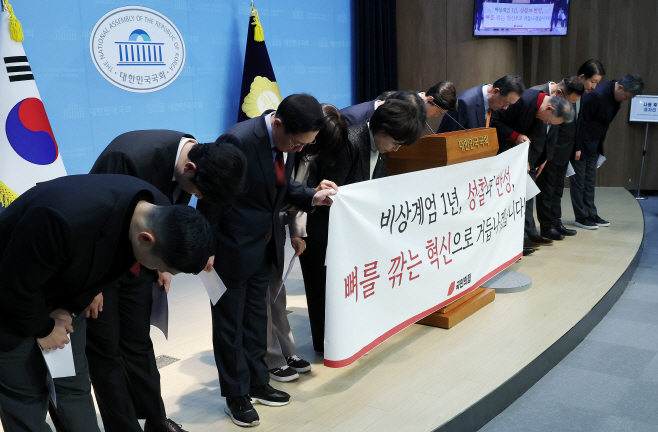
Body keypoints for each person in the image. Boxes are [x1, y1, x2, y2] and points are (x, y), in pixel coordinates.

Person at [0, 174, 213, 432]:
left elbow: (104, 272)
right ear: (146, 239)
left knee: (74, 388)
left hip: (61, 300)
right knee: (26, 400)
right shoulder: (61, 219)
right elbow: (11, 284)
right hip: (10, 306)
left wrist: (67, 310)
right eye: (160, 266)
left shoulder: (153, 209)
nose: (158, 272)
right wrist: (44, 328)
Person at [75, 130, 247, 432]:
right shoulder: (127, 158)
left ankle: (156, 420)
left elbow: (168, 216)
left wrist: (163, 264)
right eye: (198, 193)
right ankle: (124, 427)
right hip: (102, 267)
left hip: (143, 262)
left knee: (138, 343)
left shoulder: (194, 161)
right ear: (189, 168)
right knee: (106, 352)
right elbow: (90, 221)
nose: (196, 197)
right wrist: (90, 285)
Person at [196, 94, 337, 428]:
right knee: (230, 326)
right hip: (232, 248)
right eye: (297, 143)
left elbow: (280, 185)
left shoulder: (286, 142)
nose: (300, 149)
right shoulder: (237, 140)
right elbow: (213, 195)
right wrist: (206, 246)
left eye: (306, 144)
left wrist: (312, 195)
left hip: (265, 246)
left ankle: (258, 382)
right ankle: (235, 396)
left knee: (257, 320)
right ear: (277, 123)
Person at [300, 98, 423, 353]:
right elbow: (331, 196)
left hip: (348, 233)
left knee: (345, 288)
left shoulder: (378, 146)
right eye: (396, 143)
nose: (396, 149)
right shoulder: (350, 142)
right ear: (382, 130)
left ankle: (346, 337)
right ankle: (326, 346)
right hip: (322, 231)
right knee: (322, 290)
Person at [266, 104, 348, 383]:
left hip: (277, 227)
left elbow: (295, 192)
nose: (307, 149)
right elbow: (278, 193)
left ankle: (286, 352)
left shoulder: (303, 150)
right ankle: (271, 358)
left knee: (276, 295)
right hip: (256, 230)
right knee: (263, 298)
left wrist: (296, 232)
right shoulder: (281, 143)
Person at [492, 90, 575, 251]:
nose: (545, 123)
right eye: (548, 121)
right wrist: (515, 136)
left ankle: (527, 235)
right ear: (549, 108)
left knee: (526, 198)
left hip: (526, 158)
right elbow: (495, 121)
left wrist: (537, 159)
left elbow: (535, 137)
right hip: (504, 156)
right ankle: (513, 240)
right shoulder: (522, 101)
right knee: (511, 202)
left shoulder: (540, 107)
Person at [571, 74, 645, 229]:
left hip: (594, 145)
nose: (626, 100)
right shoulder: (596, 95)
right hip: (581, 144)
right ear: (620, 87)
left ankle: (591, 213)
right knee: (579, 182)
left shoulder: (616, 97)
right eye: (627, 96)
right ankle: (581, 217)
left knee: (589, 181)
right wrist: (576, 147)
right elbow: (580, 123)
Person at [530, 77, 585, 240]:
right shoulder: (536, 94)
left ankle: (555, 222)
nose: (568, 106)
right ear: (560, 93)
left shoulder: (565, 96)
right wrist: (545, 155)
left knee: (557, 190)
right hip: (543, 152)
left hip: (561, 151)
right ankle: (546, 226)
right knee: (546, 192)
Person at [438, 75, 525, 133]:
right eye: (506, 103)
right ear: (495, 91)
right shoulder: (464, 103)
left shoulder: (493, 102)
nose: (505, 108)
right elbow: (443, 138)